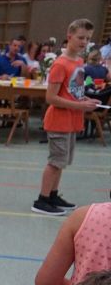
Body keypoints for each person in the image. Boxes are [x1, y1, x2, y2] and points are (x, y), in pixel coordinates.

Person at [32, 19, 100, 216]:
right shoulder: (60, 64)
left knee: (62, 162)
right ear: (69, 37)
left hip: (72, 121)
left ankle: (53, 195)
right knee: (55, 162)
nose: (84, 42)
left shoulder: (78, 61)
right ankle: (42, 200)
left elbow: (72, 91)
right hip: (59, 121)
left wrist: (85, 99)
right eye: (80, 38)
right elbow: (51, 98)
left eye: (87, 39)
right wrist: (80, 106)